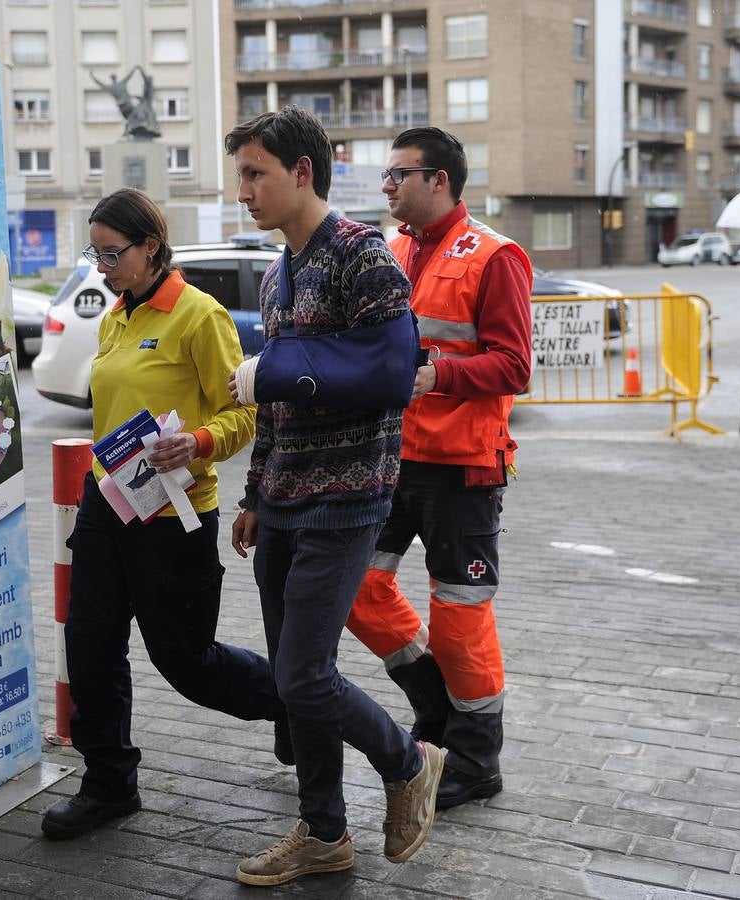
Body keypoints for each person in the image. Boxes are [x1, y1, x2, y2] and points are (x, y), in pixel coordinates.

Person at [225, 106, 445, 886]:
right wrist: (253, 490)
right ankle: (323, 833)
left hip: (347, 500)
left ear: (301, 171)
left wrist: (275, 370)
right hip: (284, 499)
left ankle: (406, 762)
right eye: (241, 173)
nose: (243, 189)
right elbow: (278, 405)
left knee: (302, 677)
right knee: (297, 688)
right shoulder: (281, 270)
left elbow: (390, 377)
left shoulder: (363, 256)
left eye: (256, 172)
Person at [40, 189, 283, 840]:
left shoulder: (197, 315)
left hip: (174, 515)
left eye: (112, 252)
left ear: (151, 247)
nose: (101, 266)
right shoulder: (117, 314)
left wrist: (198, 442)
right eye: (94, 252)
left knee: (186, 662)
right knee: (89, 645)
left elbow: (244, 415)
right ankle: (108, 784)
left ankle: (290, 701)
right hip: (106, 502)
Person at [344, 127, 532, 811]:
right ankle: (433, 706)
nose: (386, 184)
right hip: (392, 460)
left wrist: (439, 375)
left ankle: (476, 761)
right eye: (386, 173)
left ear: (440, 181)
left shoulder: (495, 255)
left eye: (398, 173)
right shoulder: (390, 251)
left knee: (458, 617)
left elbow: (514, 366)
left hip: (462, 468)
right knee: (355, 587)